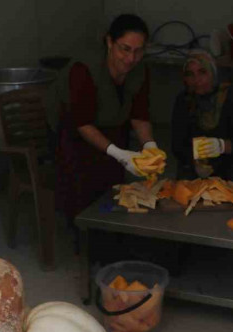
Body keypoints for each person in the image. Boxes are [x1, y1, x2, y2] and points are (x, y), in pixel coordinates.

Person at [46, 14, 164, 222]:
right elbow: (82, 123)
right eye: (125, 49)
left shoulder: (140, 70)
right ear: (110, 42)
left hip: (111, 126)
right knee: (83, 185)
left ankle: (111, 228)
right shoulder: (84, 69)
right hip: (73, 131)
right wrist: (119, 154)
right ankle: (81, 232)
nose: (130, 59)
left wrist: (149, 145)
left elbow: (139, 114)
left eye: (138, 51)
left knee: (115, 185)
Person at [170, 50, 233, 189]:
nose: (197, 80)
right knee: (184, 187)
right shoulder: (184, 101)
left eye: (203, 72)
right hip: (199, 164)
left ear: (213, 74)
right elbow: (177, 144)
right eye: (190, 74)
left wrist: (222, 146)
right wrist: (195, 161)